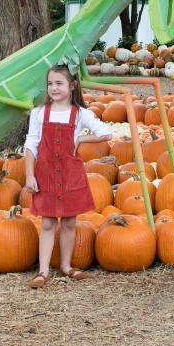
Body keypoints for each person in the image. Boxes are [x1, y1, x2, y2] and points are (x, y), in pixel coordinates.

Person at [23, 64, 112, 288]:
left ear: (72, 85)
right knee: (47, 222)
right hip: (45, 174)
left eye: (59, 83)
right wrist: (29, 175)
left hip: (70, 174)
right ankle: (43, 271)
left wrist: (82, 139)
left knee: (70, 222)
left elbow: (105, 133)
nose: (53, 88)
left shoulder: (80, 113)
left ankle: (66, 266)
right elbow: (31, 145)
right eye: (50, 84)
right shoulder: (39, 113)